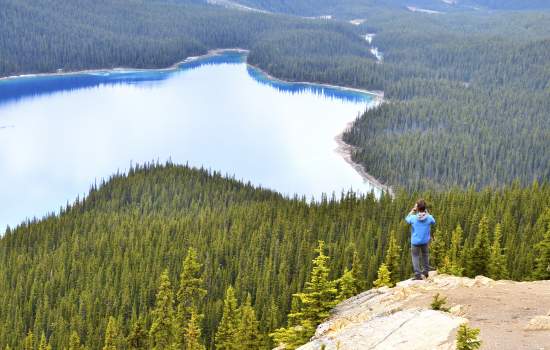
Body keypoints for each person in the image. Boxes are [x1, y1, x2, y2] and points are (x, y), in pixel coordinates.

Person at [405, 199, 436, 280]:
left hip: (415, 242)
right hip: (425, 241)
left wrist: (413, 210)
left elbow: (406, 218)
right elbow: (433, 221)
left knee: (415, 256)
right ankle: (426, 271)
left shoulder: (413, 218)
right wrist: (426, 212)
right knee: (425, 255)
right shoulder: (429, 217)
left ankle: (418, 275)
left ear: (417, 208)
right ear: (425, 208)